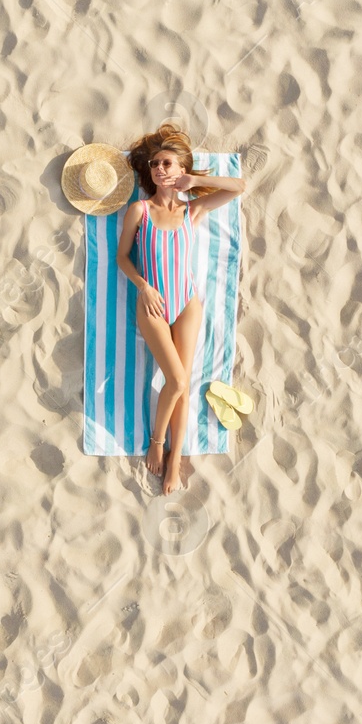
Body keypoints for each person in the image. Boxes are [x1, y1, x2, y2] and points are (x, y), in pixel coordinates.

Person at [114, 123, 246, 493]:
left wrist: (190, 180)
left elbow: (238, 188)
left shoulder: (193, 211)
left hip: (187, 304)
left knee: (183, 388)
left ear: (179, 168)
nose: (159, 168)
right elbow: (122, 258)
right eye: (155, 164)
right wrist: (143, 287)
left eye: (167, 163)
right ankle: (157, 442)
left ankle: (175, 459)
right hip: (153, 306)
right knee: (177, 380)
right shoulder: (139, 211)